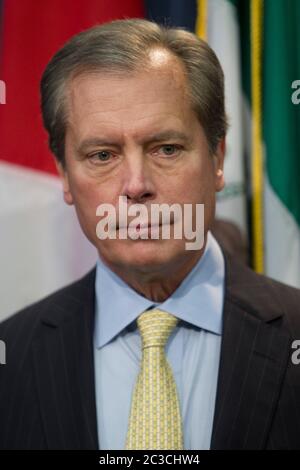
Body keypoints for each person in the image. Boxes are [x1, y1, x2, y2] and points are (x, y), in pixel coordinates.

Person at [0, 18, 299, 450]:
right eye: (102, 154)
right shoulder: (12, 356)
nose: (136, 185)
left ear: (217, 158)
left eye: (166, 149)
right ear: (65, 175)